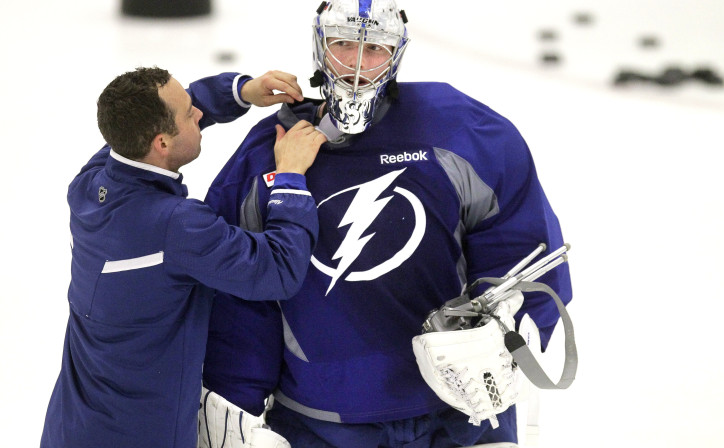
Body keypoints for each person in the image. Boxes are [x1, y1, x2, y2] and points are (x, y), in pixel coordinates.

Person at [201, 0, 573, 446]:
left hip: (457, 415)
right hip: (321, 423)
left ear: (397, 53)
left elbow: (522, 245)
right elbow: (240, 296)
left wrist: (509, 330)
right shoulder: (268, 155)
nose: (358, 66)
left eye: (375, 48)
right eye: (343, 44)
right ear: (319, 47)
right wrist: (233, 403)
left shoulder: (463, 131)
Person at [40, 66, 328, 448]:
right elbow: (278, 269)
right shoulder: (177, 227)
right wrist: (290, 176)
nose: (198, 112)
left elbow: (176, 111)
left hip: (71, 427)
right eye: (190, 111)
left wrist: (242, 91)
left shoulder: (91, 184)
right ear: (161, 143)